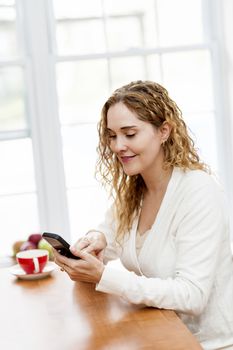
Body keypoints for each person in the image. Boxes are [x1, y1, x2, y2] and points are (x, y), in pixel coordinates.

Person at [53, 80, 233, 350]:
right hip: (159, 333)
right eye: (112, 135)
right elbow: (112, 231)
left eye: (130, 134)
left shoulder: (198, 191)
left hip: (206, 344)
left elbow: (192, 295)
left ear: (163, 131)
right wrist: (96, 239)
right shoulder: (137, 187)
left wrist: (104, 276)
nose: (117, 146)